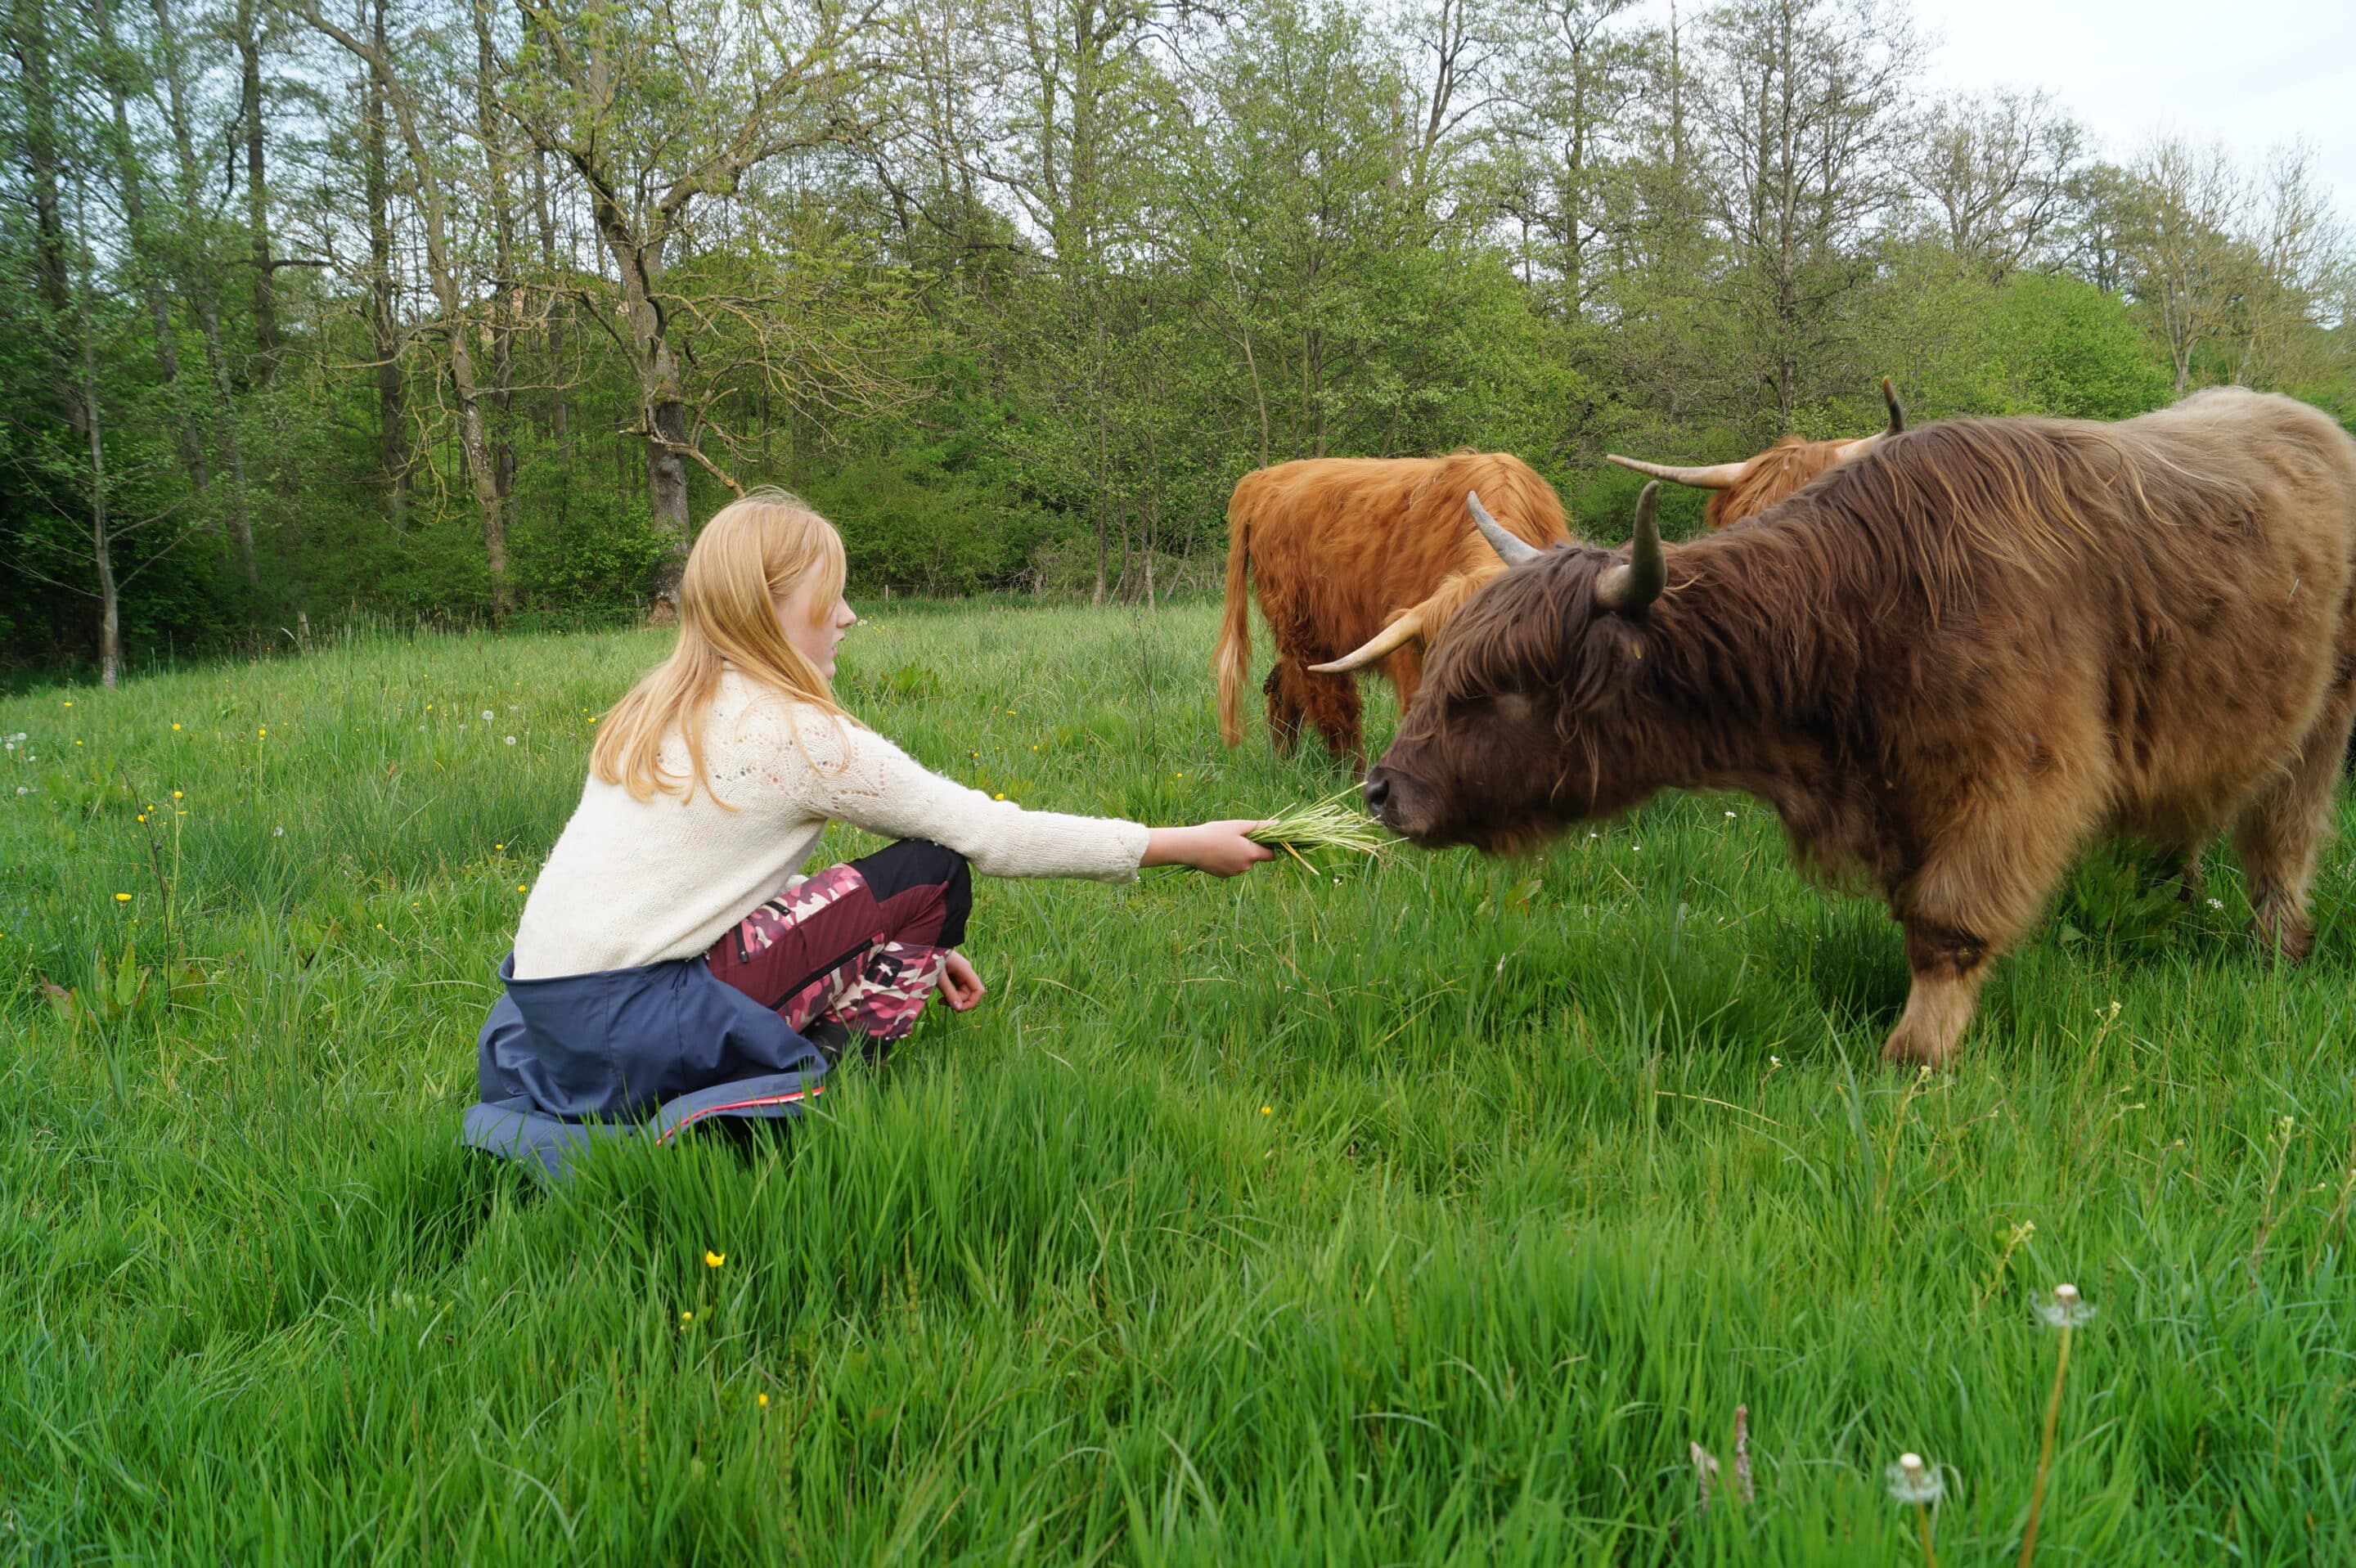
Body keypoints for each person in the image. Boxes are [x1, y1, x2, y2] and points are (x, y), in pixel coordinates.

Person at [465, 490, 1271, 1170]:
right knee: (933, 871)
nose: (849, 617)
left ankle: (740, 1071)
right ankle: (836, 1094)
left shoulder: (659, 704)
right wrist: (1183, 845)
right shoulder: (795, 732)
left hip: (555, 1021)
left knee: (896, 890)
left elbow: (697, 879)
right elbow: (991, 834)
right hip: (636, 1027)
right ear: (770, 610)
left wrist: (916, 947)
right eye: (830, 597)